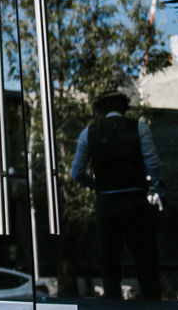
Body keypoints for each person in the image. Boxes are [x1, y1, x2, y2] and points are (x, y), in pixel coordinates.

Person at [70, 89, 163, 300]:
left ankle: (112, 304)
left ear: (101, 110)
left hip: (107, 203)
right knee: (146, 261)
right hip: (136, 200)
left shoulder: (89, 132)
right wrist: (157, 191)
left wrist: (97, 185)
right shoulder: (139, 127)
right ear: (124, 107)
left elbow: (76, 172)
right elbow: (153, 165)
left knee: (110, 264)